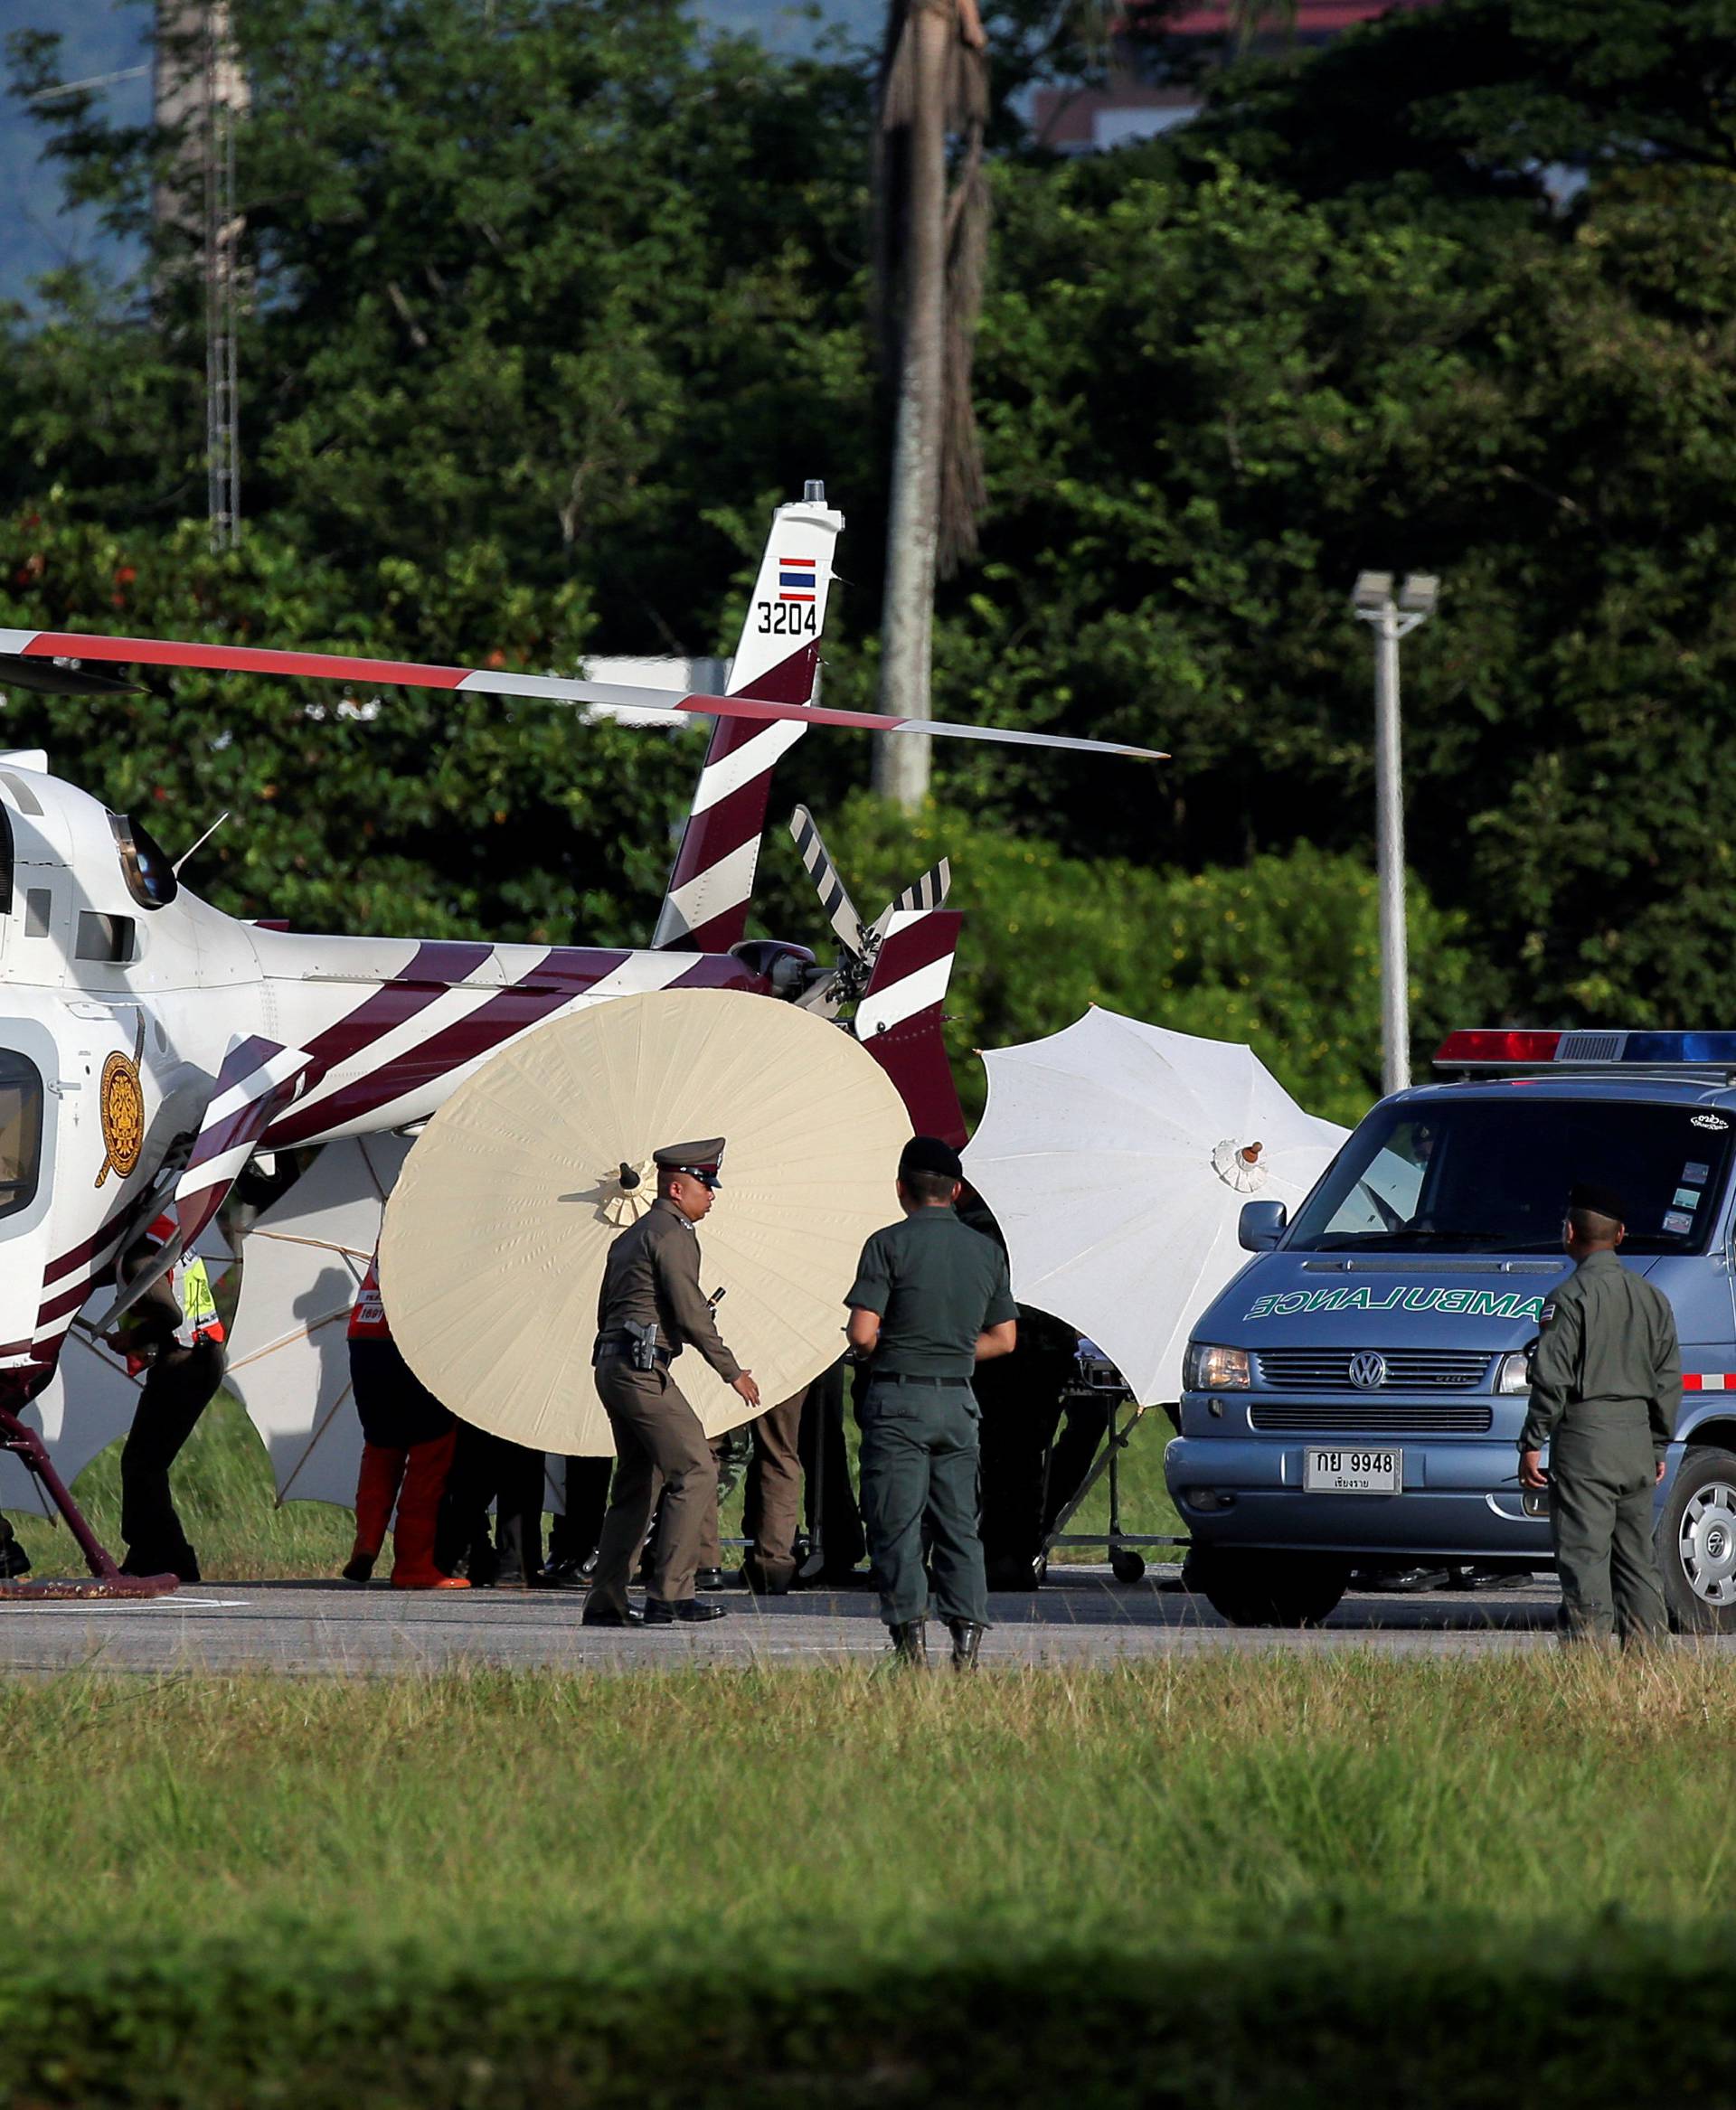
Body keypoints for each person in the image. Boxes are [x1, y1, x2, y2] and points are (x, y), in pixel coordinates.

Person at [845, 1135, 1018, 1669]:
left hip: (899, 1400)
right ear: (957, 1190)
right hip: (959, 1405)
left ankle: (910, 1645)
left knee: (896, 1523)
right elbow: (1006, 1338)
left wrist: (884, 1347)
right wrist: (949, 1349)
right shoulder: (987, 1251)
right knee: (958, 1524)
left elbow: (861, 1332)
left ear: (902, 1189)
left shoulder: (887, 1244)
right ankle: (967, 1643)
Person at [583, 1139, 760, 1629]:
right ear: (677, 1188)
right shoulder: (675, 1233)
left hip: (615, 1364)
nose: (712, 1195)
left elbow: (608, 1309)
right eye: (706, 1186)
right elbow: (688, 1311)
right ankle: (671, 1592)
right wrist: (732, 1370)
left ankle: (607, 1598)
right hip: (643, 1371)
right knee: (698, 1467)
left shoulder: (632, 1236)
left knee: (638, 1483)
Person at [1518, 1181, 1679, 1647]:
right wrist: (1657, 1443)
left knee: (1585, 1559)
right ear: (1621, 1234)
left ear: (1569, 1232)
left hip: (1587, 1443)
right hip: (1636, 1444)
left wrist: (1532, 1442)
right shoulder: (1653, 1298)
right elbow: (1669, 1376)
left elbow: (1552, 1378)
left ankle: (1588, 1664)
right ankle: (1651, 1667)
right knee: (1636, 1562)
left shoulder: (1567, 1299)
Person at [108, 1220, 227, 1582]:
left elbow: (170, 1314)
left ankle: (165, 1558)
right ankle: (155, 1555)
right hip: (203, 1356)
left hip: (184, 1363)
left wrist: (132, 1338)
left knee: (141, 1464)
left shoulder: (136, 1259)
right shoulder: (169, 1239)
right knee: (147, 1463)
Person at [342, 1252, 468, 1590]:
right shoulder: (441, 1216)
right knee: (431, 1452)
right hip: (415, 1339)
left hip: (365, 1333)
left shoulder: (394, 1214)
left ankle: (367, 1542)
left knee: (382, 1445)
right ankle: (413, 1565)